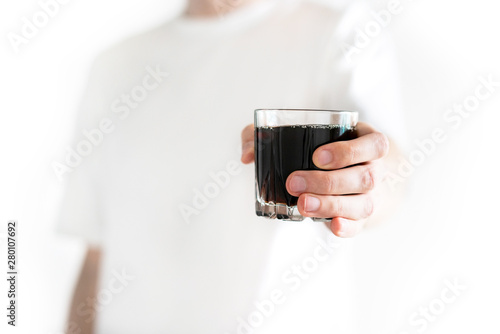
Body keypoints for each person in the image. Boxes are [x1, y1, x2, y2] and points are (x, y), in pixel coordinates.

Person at [56, 0, 406, 333]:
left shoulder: (342, 30)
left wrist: (367, 182)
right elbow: (96, 256)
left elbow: (389, 176)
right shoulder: (114, 67)